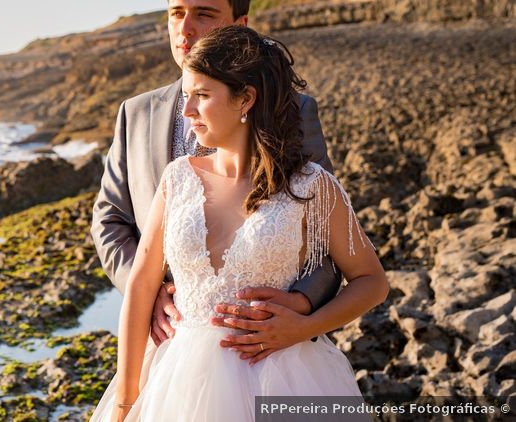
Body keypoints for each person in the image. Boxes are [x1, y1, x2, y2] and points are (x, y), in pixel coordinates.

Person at [90, 25, 389, 421]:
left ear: (245, 98)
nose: (187, 112)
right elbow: (142, 285)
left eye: (202, 96)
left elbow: (372, 281)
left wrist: (306, 326)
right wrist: (126, 403)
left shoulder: (311, 185)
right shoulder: (178, 178)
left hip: (282, 380)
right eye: (185, 96)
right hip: (176, 384)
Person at [92, 0, 341, 359]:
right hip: (164, 342)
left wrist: (301, 306)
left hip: (266, 346)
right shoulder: (135, 113)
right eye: (176, 13)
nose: (185, 28)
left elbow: (326, 234)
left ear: (240, 28)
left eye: (203, 14)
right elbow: (110, 218)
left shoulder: (291, 110)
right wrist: (148, 293)